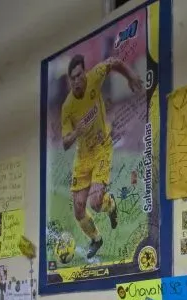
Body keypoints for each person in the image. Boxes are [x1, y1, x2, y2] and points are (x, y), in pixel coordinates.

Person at [61, 53, 143, 259]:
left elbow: (114, 61)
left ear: (84, 73)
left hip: (101, 148)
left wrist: (131, 76)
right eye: (73, 78)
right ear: (69, 80)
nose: (77, 81)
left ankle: (110, 205)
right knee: (79, 210)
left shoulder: (94, 76)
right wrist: (76, 133)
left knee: (96, 203)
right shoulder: (67, 108)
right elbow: (64, 143)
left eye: (79, 75)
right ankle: (96, 239)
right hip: (83, 157)